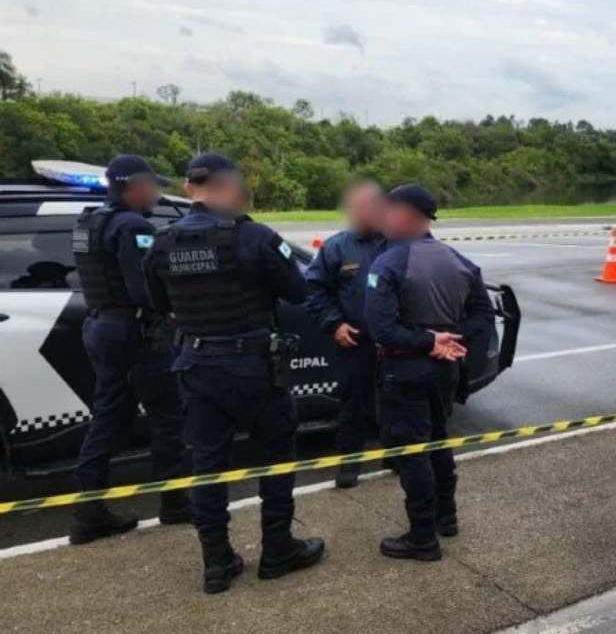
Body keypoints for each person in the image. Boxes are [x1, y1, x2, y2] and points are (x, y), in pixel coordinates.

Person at [144, 153, 324, 594]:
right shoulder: (254, 236)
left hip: (196, 366)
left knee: (207, 467)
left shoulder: (161, 242)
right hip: (253, 368)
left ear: (188, 188)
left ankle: (217, 563)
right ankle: (278, 550)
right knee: (277, 457)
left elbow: (160, 304)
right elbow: (298, 290)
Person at [364, 183, 495, 561]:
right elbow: (484, 315)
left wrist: (428, 341)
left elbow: (381, 329)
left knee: (413, 452)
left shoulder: (389, 263)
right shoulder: (459, 261)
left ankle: (422, 537)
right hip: (444, 371)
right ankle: (446, 517)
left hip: (405, 370)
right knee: (438, 439)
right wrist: (452, 340)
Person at [69, 154, 189, 544]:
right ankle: (175, 502)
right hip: (134, 332)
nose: (156, 194)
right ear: (135, 185)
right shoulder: (133, 226)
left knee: (109, 416)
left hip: (101, 326)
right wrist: (172, 310)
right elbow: (144, 287)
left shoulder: (89, 221)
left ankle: (89, 512)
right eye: (152, 186)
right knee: (168, 414)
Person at [303, 180, 388, 488]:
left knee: (397, 403)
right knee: (353, 407)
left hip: (397, 343)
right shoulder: (337, 247)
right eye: (358, 207)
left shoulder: (400, 242)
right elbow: (314, 290)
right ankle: (349, 465)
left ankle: (398, 458)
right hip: (355, 342)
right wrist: (334, 323)